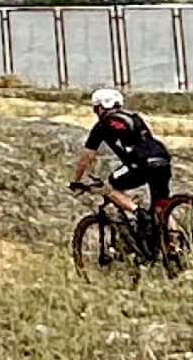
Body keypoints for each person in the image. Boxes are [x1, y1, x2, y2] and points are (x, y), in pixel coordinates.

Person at [71, 86, 174, 250]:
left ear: (99, 108)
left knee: (109, 186)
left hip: (140, 164)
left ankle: (137, 212)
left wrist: (76, 181)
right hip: (162, 160)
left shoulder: (102, 126)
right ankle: (174, 245)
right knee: (161, 206)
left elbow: (86, 157)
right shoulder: (134, 117)